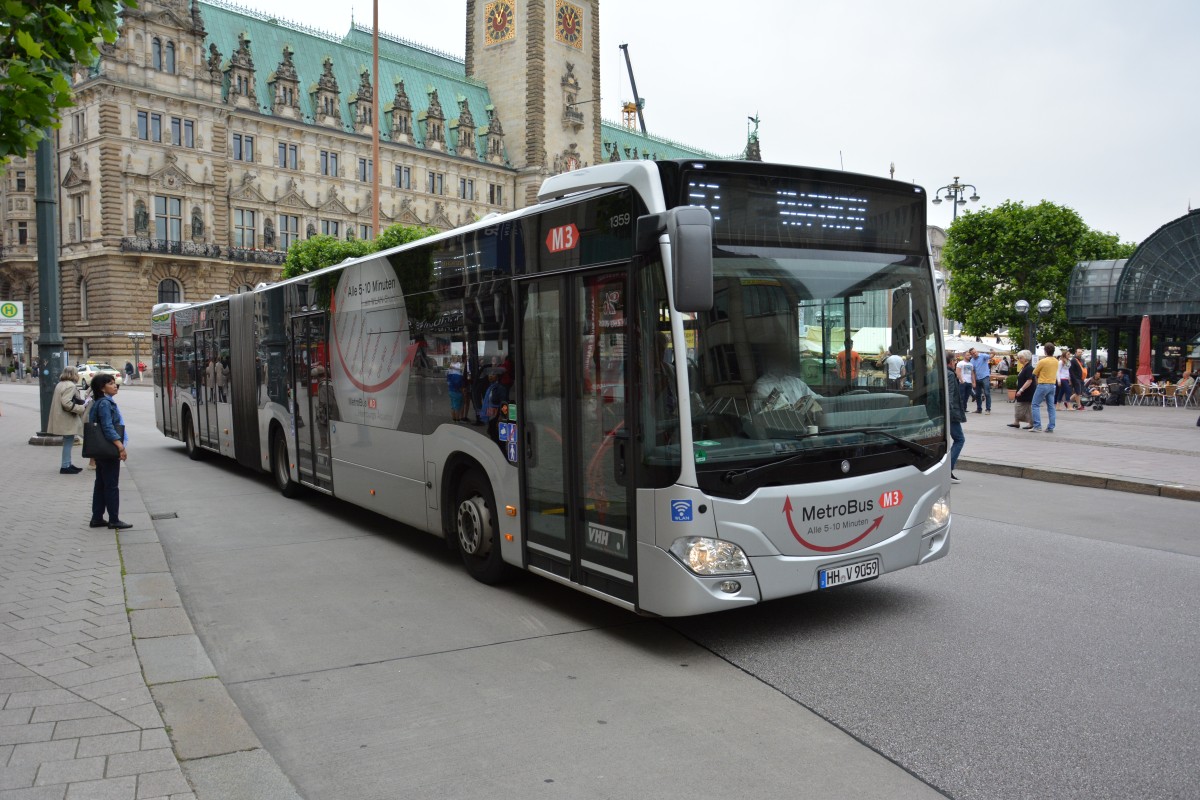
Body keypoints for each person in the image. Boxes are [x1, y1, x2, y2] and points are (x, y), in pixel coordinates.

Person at [88, 373, 132, 530]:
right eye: (111, 383)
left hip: (100, 449)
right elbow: (107, 427)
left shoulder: (99, 402)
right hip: (108, 449)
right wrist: (120, 446)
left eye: (115, 383)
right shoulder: (106, 404)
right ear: (102, 388)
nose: (115, 386)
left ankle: (97, 517)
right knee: (111, 485)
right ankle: (114, 519)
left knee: (100, 484)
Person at [48, 366, 88, 473]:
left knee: (68, 441)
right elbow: (66, 403)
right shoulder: (70, 386)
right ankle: (65, 465)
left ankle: (68, 463)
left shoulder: (60, 384)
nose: (78, 375)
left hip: (61, 416)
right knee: (68, 442)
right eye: (77, 373)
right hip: (67, 417)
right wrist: (81, 408)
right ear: (73, 374)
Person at [946, 352, 966, 484]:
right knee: (959, 439)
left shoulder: (940, 372)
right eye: (955, 360)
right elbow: (950, 395)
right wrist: (951, 413)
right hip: (950, 414)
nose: (956, 363)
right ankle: (948, 470)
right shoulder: (950, 374)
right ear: (951, 361)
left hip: (944, 412)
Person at [1030, 343, 1059, 432]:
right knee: (1051, 406)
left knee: (1035, 404)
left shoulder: (1043, 361)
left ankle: (1037, 425)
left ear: (1045, 351)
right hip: (1052, 385)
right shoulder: (1056, 361)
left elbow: (1034, 373)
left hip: (1043, 384)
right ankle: (1051, 426)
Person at [1007, 350, 1035, 429]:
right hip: (1022, 390)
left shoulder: (1029, 368)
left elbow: (1029, 380)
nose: (1019, 359)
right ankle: (1016, 421)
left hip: (1027, 391)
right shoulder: (1024, 367)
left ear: (1026, 358)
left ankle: (1031, 423)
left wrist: (1021, 390)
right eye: (1019, 357)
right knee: (1019, 405)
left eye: (1021, 357)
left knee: (1026, 407)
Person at [969, 347, 992, 414]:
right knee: (977, 394)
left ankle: (988, 409)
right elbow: (973, 372)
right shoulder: (971, 361)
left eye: (975, 352)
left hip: (985, 377)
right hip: (977, 378)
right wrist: (973, 381)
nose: (975, 354)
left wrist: (993, 352)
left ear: (976, 351)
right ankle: (979, 409)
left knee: (987, 393)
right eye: (973, 353)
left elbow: (990, 356)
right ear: (971, 354)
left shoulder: (983, 356)